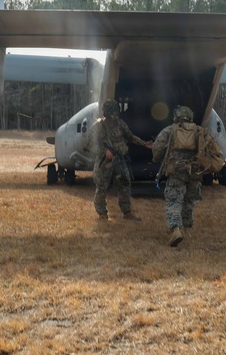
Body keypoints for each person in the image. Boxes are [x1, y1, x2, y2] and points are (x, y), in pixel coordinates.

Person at [151, 105, 208, 247]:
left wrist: (157, 159)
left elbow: (157, 149)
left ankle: (175, 229)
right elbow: (208, 149)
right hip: (195, 172)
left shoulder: (169, 130)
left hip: (176, 171)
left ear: (176, 117)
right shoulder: (199, 131)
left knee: (174, 201)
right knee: (189, 201)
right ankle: (187, 230)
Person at [89, 99, 151, 221]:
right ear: (106, 112)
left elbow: (130, 137)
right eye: (111, 113)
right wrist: (104, 151)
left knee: (125, 185)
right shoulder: (99, 126)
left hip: (119, 161)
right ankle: (102, 214)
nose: (113, 116)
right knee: (102, 186)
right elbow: (89, 144)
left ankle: (127, 213)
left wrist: (144, 144)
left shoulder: (120, 123)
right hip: (104, 162)